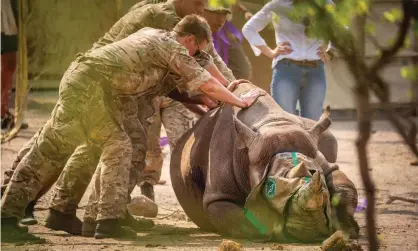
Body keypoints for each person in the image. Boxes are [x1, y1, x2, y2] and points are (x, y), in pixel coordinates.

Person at [1, 15, 263, 240]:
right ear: (190, 40)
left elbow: (179, 87)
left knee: (119, 144)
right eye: (197, 51)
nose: (195, 57)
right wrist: (240, 101)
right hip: (90, 87)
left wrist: (205, 101)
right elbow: (206, 83)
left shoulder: (155, 37)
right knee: (65, 148)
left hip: (104, 92)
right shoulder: (171, 47)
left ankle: (75, 214)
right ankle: (14, 218)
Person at [242, 0, 334, 121]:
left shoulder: (325, 4)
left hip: (316, 71)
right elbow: (249, 28)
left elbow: (342, 29)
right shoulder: (278, 5)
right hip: (286, 70)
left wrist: (331, 51)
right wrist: (270, 52)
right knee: (285, 122)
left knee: (313, 124)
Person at [210, 0, 253, 80]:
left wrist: (245, 11)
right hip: (209, 31)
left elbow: (233, 2)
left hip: (226, 31)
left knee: (243, 70)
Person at [1, 0, 18, 129]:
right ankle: (2, 112)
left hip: (9, 12)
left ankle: (3, 110)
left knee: (10, 63)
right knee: (7, 63)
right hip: (3, 14)